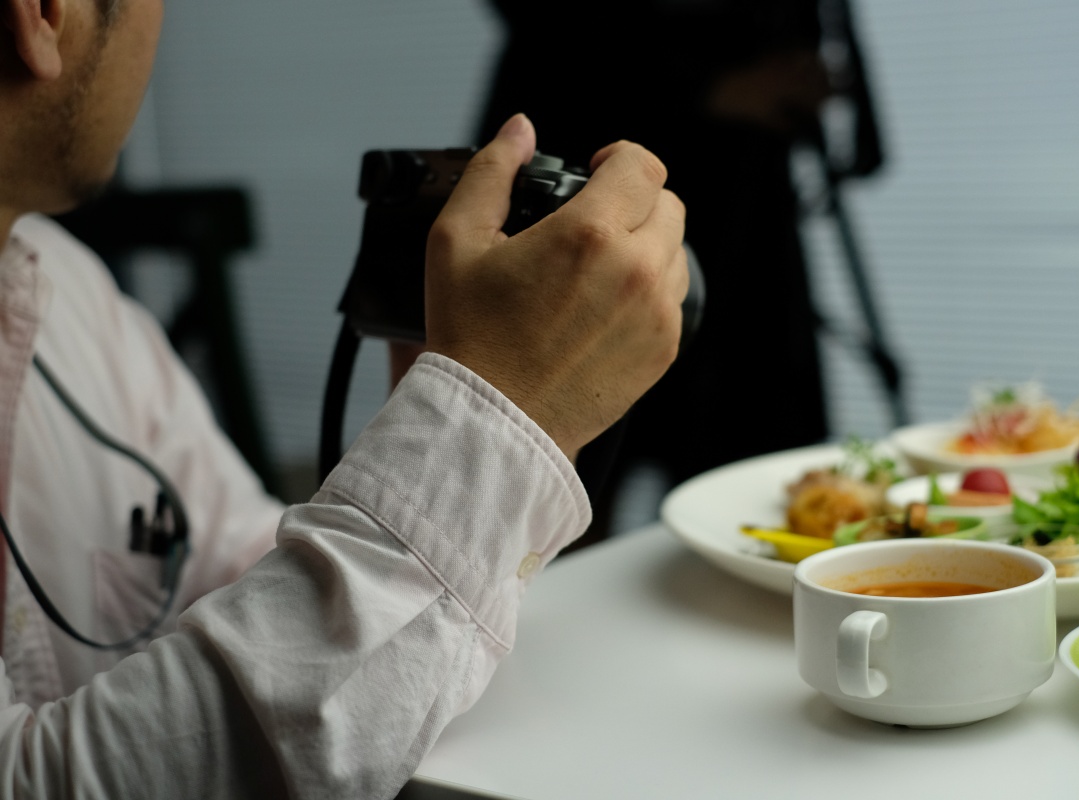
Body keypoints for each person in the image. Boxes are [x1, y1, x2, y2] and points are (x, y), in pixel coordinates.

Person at [0, 0, 688, 796]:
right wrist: (490, 430)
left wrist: (442, 446)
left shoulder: (67, 292)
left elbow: (240, 572)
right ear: (46, 14)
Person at [478, 1, 884, 537]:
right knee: (543, 501)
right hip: (588, 185)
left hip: (750, 221)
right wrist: (707, 83)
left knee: (761, 496)